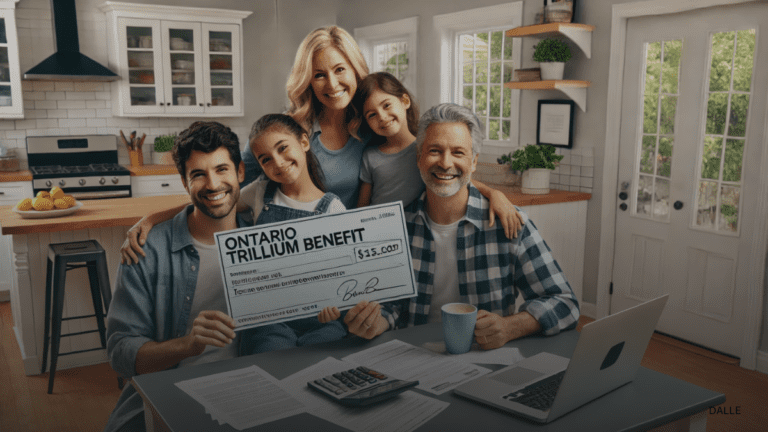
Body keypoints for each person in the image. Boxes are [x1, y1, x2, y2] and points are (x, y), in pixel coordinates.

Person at [119, 27, 521, 264]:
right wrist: (155, 218)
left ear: (355, 68)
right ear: (307, 81)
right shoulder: (288, 135)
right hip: (287, 258)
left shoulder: (374, 130)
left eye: (340, 70)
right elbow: (227, 191)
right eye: (319, 75)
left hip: (353, 257)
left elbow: (435, 167)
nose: (332, 84)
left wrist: (493, 193)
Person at [323, 104, 580, 347]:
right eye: (435, 150)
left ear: (474, 161)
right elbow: (392, 307)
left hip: (485, 361)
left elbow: (565, 303)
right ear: (419, 157)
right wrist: (374, 322)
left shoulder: (509, 225)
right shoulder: (396, 228)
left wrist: (512, 326)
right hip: (412, 358)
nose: (446, 163)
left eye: (458, 152)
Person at [104, 121, 255, 432]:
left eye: (221, 169)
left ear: (240, 172)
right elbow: (120, 354)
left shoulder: (266, 237)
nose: (213, 184)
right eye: (198, 174)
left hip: (251, 392)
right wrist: (188, 345)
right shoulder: (146, 250)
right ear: (185, 183)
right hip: (171, 397)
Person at [238, 113, 347, 353]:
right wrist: (152, 218)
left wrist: (336, 305)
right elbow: (218, 206)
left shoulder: (333, 208)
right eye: (265, 159)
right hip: (270, 318)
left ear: (304, 142)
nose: (277, 162)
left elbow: (344, 272)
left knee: (325, 360)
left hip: (320, 320)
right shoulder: (260, 192)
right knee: (273, 360)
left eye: (283, 148)